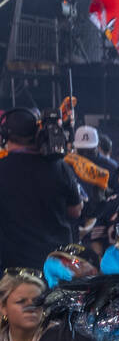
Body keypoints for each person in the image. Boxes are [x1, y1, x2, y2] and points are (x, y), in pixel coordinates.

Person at [0, 109, 82, 269]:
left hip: (16, 268)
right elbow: (75, 211)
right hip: (58, 263)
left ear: (4, 135)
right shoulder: (60, 166)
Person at [0, 268, 45, 341]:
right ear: (3, 307)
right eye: (21, 301)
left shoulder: (59, 338)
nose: (31, 306)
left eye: (37, 301)